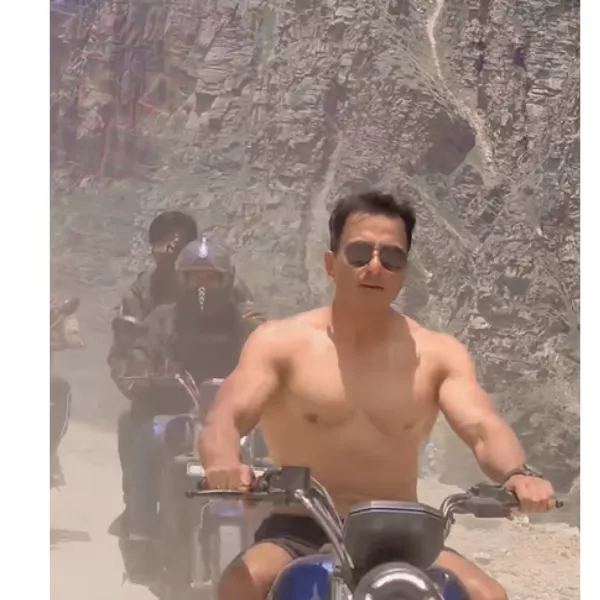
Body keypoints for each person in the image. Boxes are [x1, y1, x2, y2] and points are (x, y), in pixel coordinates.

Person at [198, 190, 558, 600]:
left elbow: (482, 427)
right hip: (301, 528)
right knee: (240, 584)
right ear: (330, 264)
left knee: (490, 596)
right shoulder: (279, 343)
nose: (375, 267)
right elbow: (226, 416)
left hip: (402, 533)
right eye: (358, 253)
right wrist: (223, 461)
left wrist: (518, 474)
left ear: (404, 271)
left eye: (392, 258)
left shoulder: (438, 354)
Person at [109, 236, 266, 583]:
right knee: (141, 433)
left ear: (226, 280)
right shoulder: (163, 318)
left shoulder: (245, 318)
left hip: (237, 417)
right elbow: (140, 349)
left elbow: (275, 357)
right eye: (195, 276)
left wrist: (263, 335)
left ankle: (281, 529)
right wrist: (140, 370)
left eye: (210, 277)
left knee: (276, 448)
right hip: (175, 411)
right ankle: (141, 530)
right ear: (182, 279)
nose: (202, 285)